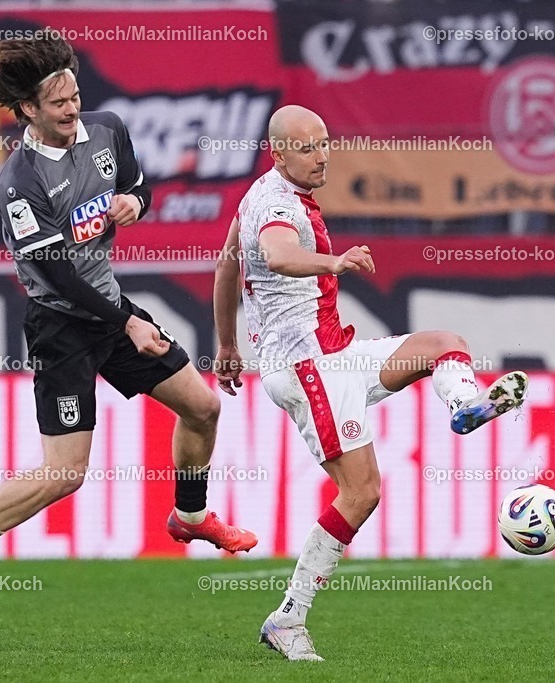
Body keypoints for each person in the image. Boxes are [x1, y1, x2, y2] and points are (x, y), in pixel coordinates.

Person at [0, 37, 257, 635]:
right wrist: (125, 319)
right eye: (59, 103)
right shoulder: (18, 183)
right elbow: (57, 275)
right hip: (62, 324)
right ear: (25, 110)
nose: (74, 108)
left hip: (111, 305)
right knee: (64, 473)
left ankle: (189, 515)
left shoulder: (107, 130)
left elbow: (139, 190)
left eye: (76, 95)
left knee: (202, 407)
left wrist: (133, 202)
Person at [213, 105, 528, 661]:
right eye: (307, 147)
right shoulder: (277, 205)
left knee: (442, 344)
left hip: (335, 355)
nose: (321, 155)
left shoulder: (255, 195)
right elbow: (278, 255)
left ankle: (463, 405)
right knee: (362, 491)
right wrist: (333, 262)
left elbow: (224, 266)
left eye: (325, 143)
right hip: (308, 368)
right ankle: (289, 618)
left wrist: (228, 347)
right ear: (278, 152)